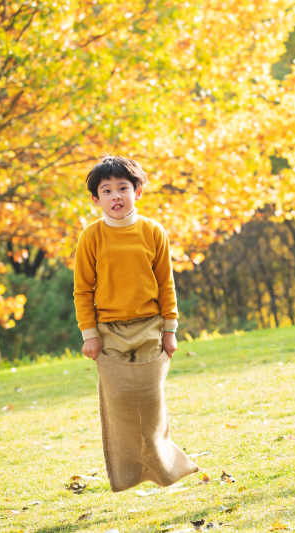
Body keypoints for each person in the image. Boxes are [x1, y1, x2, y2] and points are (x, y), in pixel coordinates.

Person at [73, 155, 198, 492]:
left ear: (137, 192)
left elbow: (166, 284)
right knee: (120, 401)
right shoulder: (91, 236)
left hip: (150, 326)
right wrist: (90, 335)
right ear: (96, 199)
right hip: (109, 330)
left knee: (150, 399)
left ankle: (165, 467)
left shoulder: (153, 231)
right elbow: (82, 290)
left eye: (123, 188)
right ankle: (127, 474)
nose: (116, 196)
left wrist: (170, 329)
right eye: (107, 190)